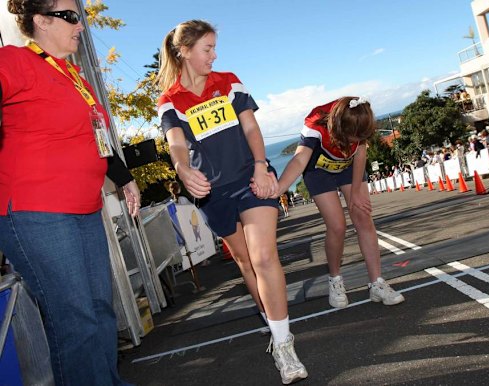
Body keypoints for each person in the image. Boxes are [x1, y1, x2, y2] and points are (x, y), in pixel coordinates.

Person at [155, 19, 307, 384]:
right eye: (207, 48)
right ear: (184, 51)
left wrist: (259, 165)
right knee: (245, 262)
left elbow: (251, 128)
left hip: (250, 179)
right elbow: (176, 143)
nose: (214, 55)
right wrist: (181, 169)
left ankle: (285, 347)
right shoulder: (169, 101)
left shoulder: (228, 82)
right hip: (212, 192)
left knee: (264, 257)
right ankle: (275, 330)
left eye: (213, 48)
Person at [0, 1, 140, 385]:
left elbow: (96, 139)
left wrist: (124, 177)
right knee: (74, 316)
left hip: (85, 208)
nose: (81, 24)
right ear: (42, 22)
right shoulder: (14, 61)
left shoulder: (72, 74)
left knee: (99, 310)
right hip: (36, 211)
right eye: (71, 16)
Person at [263, 97, 405, 309]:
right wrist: (279, 188)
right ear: (339, 127)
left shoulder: (359, 119)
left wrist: (356, 192)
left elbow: (360, 153)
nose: (354, 141)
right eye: (351, 137)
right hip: (318, 170)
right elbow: (300, 159)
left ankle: (377, 283)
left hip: (348, 167)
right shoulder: (315, 124)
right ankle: (335, 279)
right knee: (337, 225)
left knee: (363, 217)